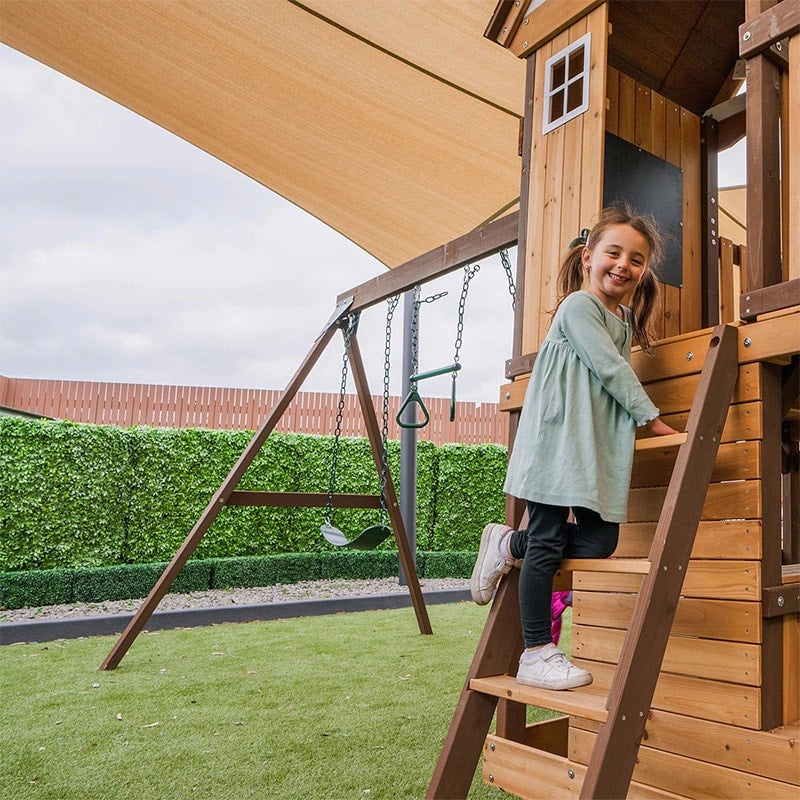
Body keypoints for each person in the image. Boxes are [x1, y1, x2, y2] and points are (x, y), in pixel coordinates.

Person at [470, 205, 679, 691]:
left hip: (585, 451)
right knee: (546, 543)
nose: (624, 264)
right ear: (588, 257)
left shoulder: (622, 318)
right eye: (614, 253)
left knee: (601, 542)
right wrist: (651, 419)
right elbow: (610, 369)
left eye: (636, 258)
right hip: (554, 443)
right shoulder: (577, 307)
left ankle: (507, 543)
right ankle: (536, 652)